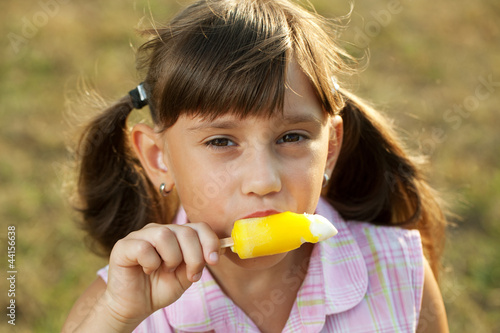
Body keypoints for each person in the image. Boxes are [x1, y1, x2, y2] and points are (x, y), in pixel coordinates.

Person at [62, 0, 449, 332]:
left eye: (292, 137)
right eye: (221, 141)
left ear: (330, 148)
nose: (263, 180)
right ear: (158, 158)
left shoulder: (401, 273)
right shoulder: (119, 306)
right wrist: (114, 319)